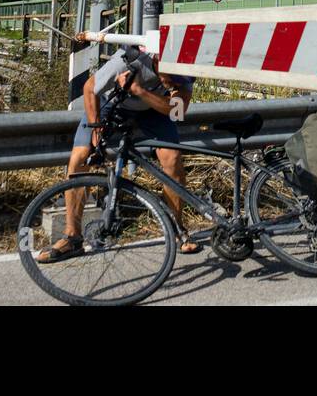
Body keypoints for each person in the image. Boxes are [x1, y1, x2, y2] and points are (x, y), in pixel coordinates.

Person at [36, 45, 199, 262]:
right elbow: (89, 87)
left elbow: (178, 111)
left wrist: (140, 91)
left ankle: (177, 229)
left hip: (152, 109)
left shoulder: (185, 71)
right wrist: (95, 128)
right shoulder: (128, 60)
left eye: (181, 80)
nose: (176, 83)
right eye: (172, 77)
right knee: (80, 158)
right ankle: (72, 237)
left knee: (172, 158)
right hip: (111, 102)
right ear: (158, 61)